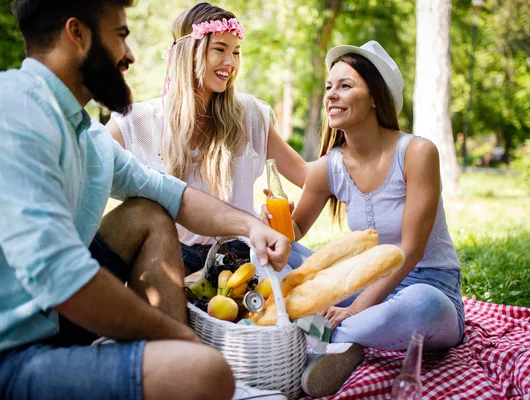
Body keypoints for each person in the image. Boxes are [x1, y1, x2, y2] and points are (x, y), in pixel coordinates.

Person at [0, 1, 290, 399]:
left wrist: (252, 226)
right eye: (120, 36)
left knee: (149, 213)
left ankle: (167, 361)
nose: (130, 56)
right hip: (12, 352)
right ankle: (174, 361)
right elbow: (59, 274)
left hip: (54, 319)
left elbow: (174, 197)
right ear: (77, 33)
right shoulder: (16, 111)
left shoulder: (87, 135)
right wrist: (178, 338)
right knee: (204, 373)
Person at [278, 41, 465, 397]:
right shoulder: (327, 167)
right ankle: (348, 341)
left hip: (427, 286)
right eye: (329, 86)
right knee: (270, 251)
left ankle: (314, 336)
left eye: (345, 86)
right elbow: (294, 233)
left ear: (376, 97)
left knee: (420, 307)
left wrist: (354, 310)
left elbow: (409, 251)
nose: (332, 95)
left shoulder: (417, 153)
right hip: (361, 282)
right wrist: (276, 225)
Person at [106, 2, 312, 278]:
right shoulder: (137, 122)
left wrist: (292, 225)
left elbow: (309, 177)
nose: (231, 62)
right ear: (189, 53)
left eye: (236, 52)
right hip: (173, 255)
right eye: (220, 49)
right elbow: (87, 170)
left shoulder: (249, 116)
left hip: (241, 253)